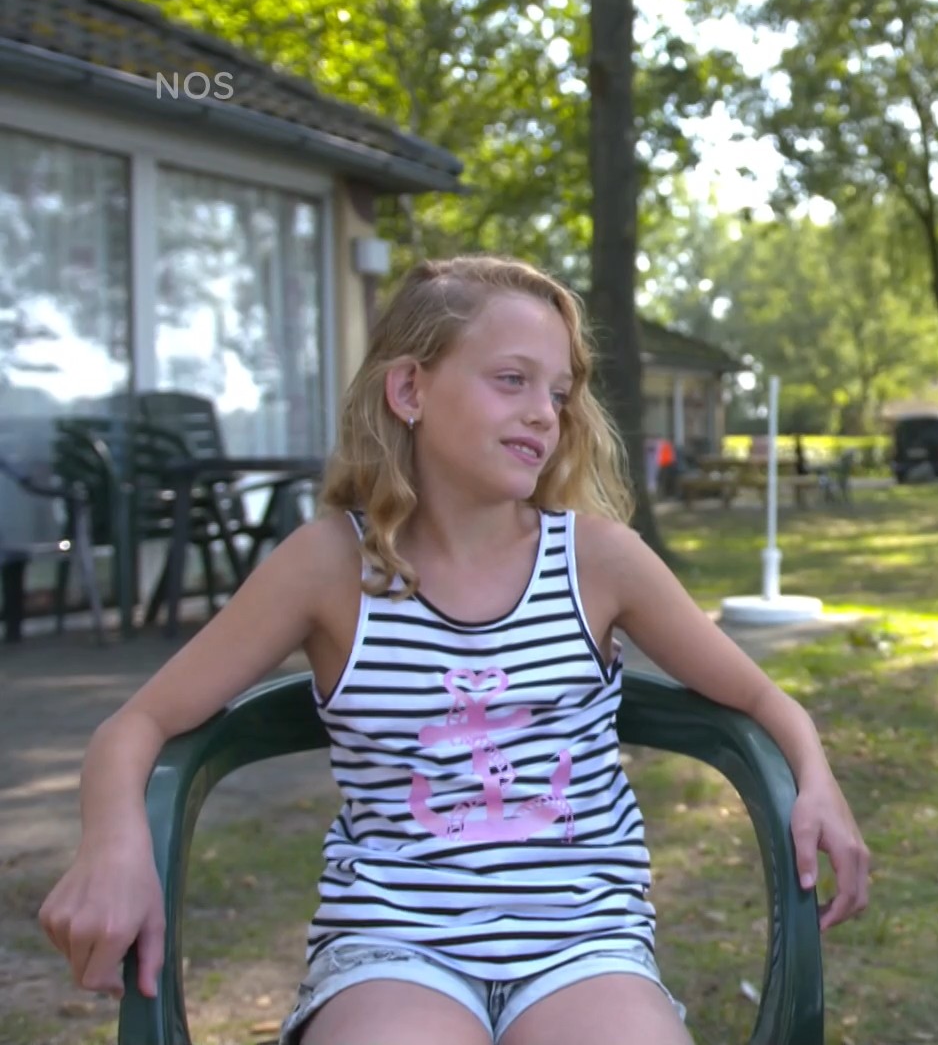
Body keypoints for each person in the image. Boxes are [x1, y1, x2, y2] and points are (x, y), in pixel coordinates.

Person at [38, 256, 871, 1045]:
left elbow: (762, 699)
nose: (544, 412)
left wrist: (816, 780)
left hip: (583, 941)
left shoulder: (598, 561)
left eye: (559, 392)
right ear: (410, 388)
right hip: (392, 948)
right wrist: (115, 847)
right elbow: (136, 725)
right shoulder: (328, 567)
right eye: (511, 379)